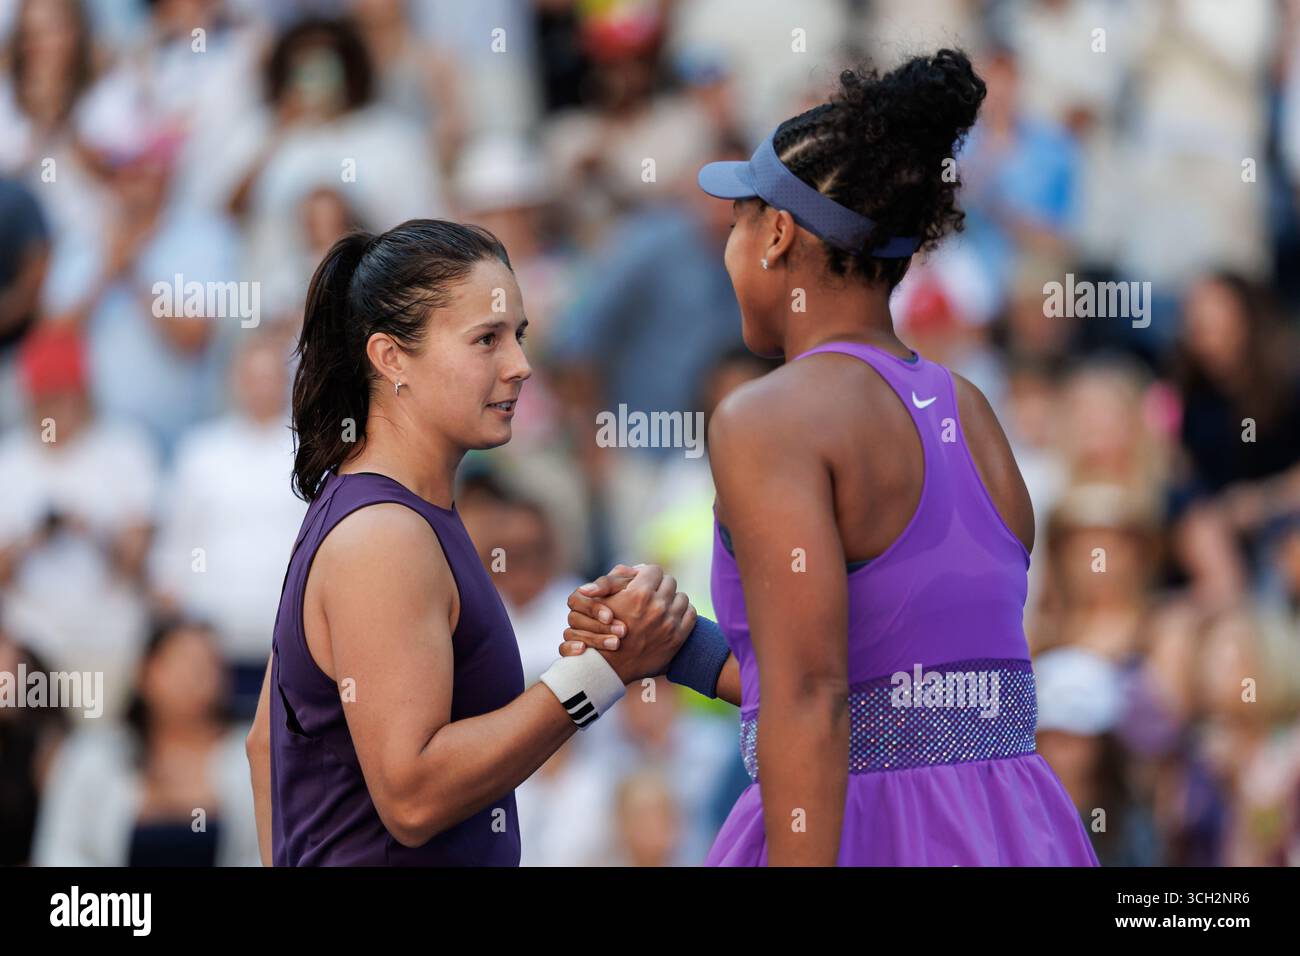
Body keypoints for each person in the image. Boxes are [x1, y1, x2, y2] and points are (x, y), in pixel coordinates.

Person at [566, 50, 1101, 866]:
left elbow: (813, 698)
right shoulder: (974, 411)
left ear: (777, 233)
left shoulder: (766, 419)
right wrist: (683, 652)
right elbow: (906, 694)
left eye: (738, 221)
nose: (727, 248)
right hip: (1021, 833)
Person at [244, 219, 697, 866]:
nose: (520, 366)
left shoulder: (371, 512)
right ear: (390, 357)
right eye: (486, 339)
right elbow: (413, 798)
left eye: (519, 335)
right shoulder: (385, 536)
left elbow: (266, 745)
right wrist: (599, 674)